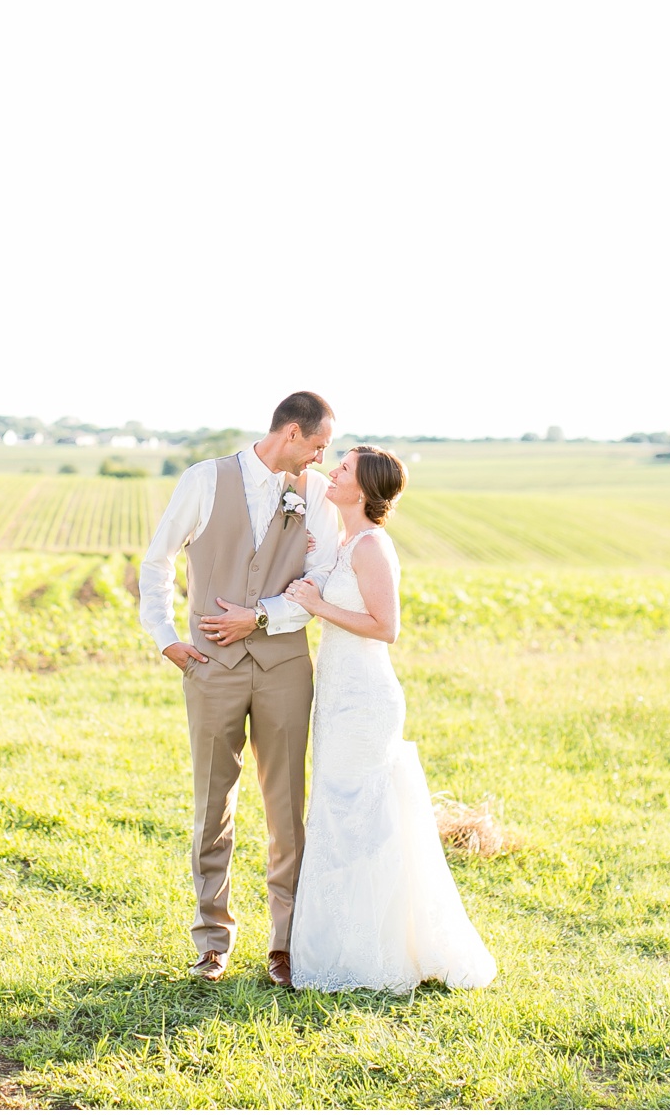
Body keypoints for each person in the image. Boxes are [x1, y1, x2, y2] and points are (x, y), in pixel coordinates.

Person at [137, 391, 340, 985]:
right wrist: (164, 636)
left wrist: (260, 617)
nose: (322, 458)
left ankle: (285, 941)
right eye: (319, 446)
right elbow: (157, 561)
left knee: (287, 809)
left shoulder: (318, 495)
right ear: (293, 433)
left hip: (284, 667)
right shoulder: (205, 480)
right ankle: (211, 939)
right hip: (211, 668)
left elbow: (320, 580)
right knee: (211, 804)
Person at [283, 445, 497, 993]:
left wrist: (318, 605)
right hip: (337, 696)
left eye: (345, 469)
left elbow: (386, 627)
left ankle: (371, 956)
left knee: (358, 818)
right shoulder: (348, 539)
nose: (334, 470)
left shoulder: (373, 546)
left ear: (366, 489)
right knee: (339, 813)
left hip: (365, 701)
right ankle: (340, 945)